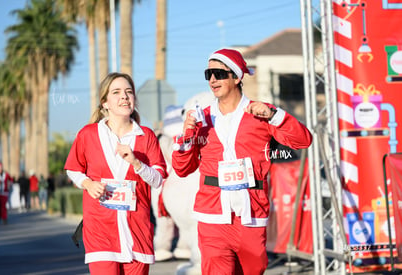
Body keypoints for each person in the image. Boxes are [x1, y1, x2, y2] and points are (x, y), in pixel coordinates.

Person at [171, 48, 313, 274]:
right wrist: (187, 135)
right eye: (209, 74)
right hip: (212, 215)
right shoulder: (200, 118)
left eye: (219, 73)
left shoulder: (260, 112)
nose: (213, 79)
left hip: (251, 215)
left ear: (237, 77)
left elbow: (303, 140)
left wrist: (274, 116)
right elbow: (181, 168)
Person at [64, 72, 168, 275]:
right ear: (105, 103)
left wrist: (136, 163)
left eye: (129, 92)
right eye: (117, 92)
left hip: (137, 230)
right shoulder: (88, 134)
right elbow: (73, 168)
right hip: (100, 230)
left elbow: (158, 180)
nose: (124, 96)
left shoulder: (146, 136)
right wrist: (88, 184)